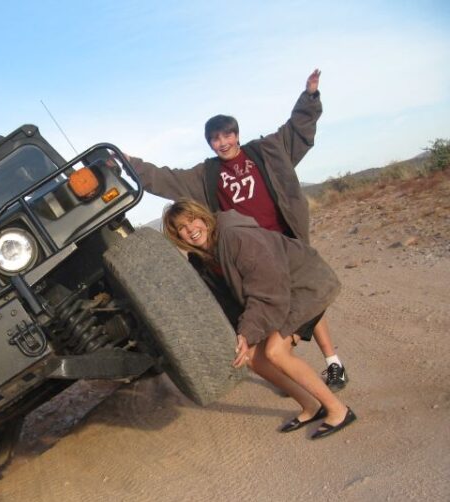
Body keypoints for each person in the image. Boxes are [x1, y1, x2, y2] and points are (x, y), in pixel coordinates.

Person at [128, 69, 349, 392]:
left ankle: (332, 363)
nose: (223, 143)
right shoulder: (207, 174)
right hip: (247, 250)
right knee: (273, 306)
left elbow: (298, 130)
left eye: (227, 135)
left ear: (237, 135)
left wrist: (310, 97)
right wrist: (133, 165)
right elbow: (167, 179)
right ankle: (293, 372)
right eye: (216, 139)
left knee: (305, 301)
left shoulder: (267, 152)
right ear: (210, 143)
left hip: (284, 239)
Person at [162, 200, 356, 439]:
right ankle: (310, 405)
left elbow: (268, 288)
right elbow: (228, 302)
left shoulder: (236, 237)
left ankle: (338, 410)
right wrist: (241, 337)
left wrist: (249, 331)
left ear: (204, 217)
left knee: (276, 351)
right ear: (177, 236)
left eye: (193, 219)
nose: (191, 229)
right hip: (279, 294)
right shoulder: (202, 258)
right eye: (182, 227)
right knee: (252, 357)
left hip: (304, 285)